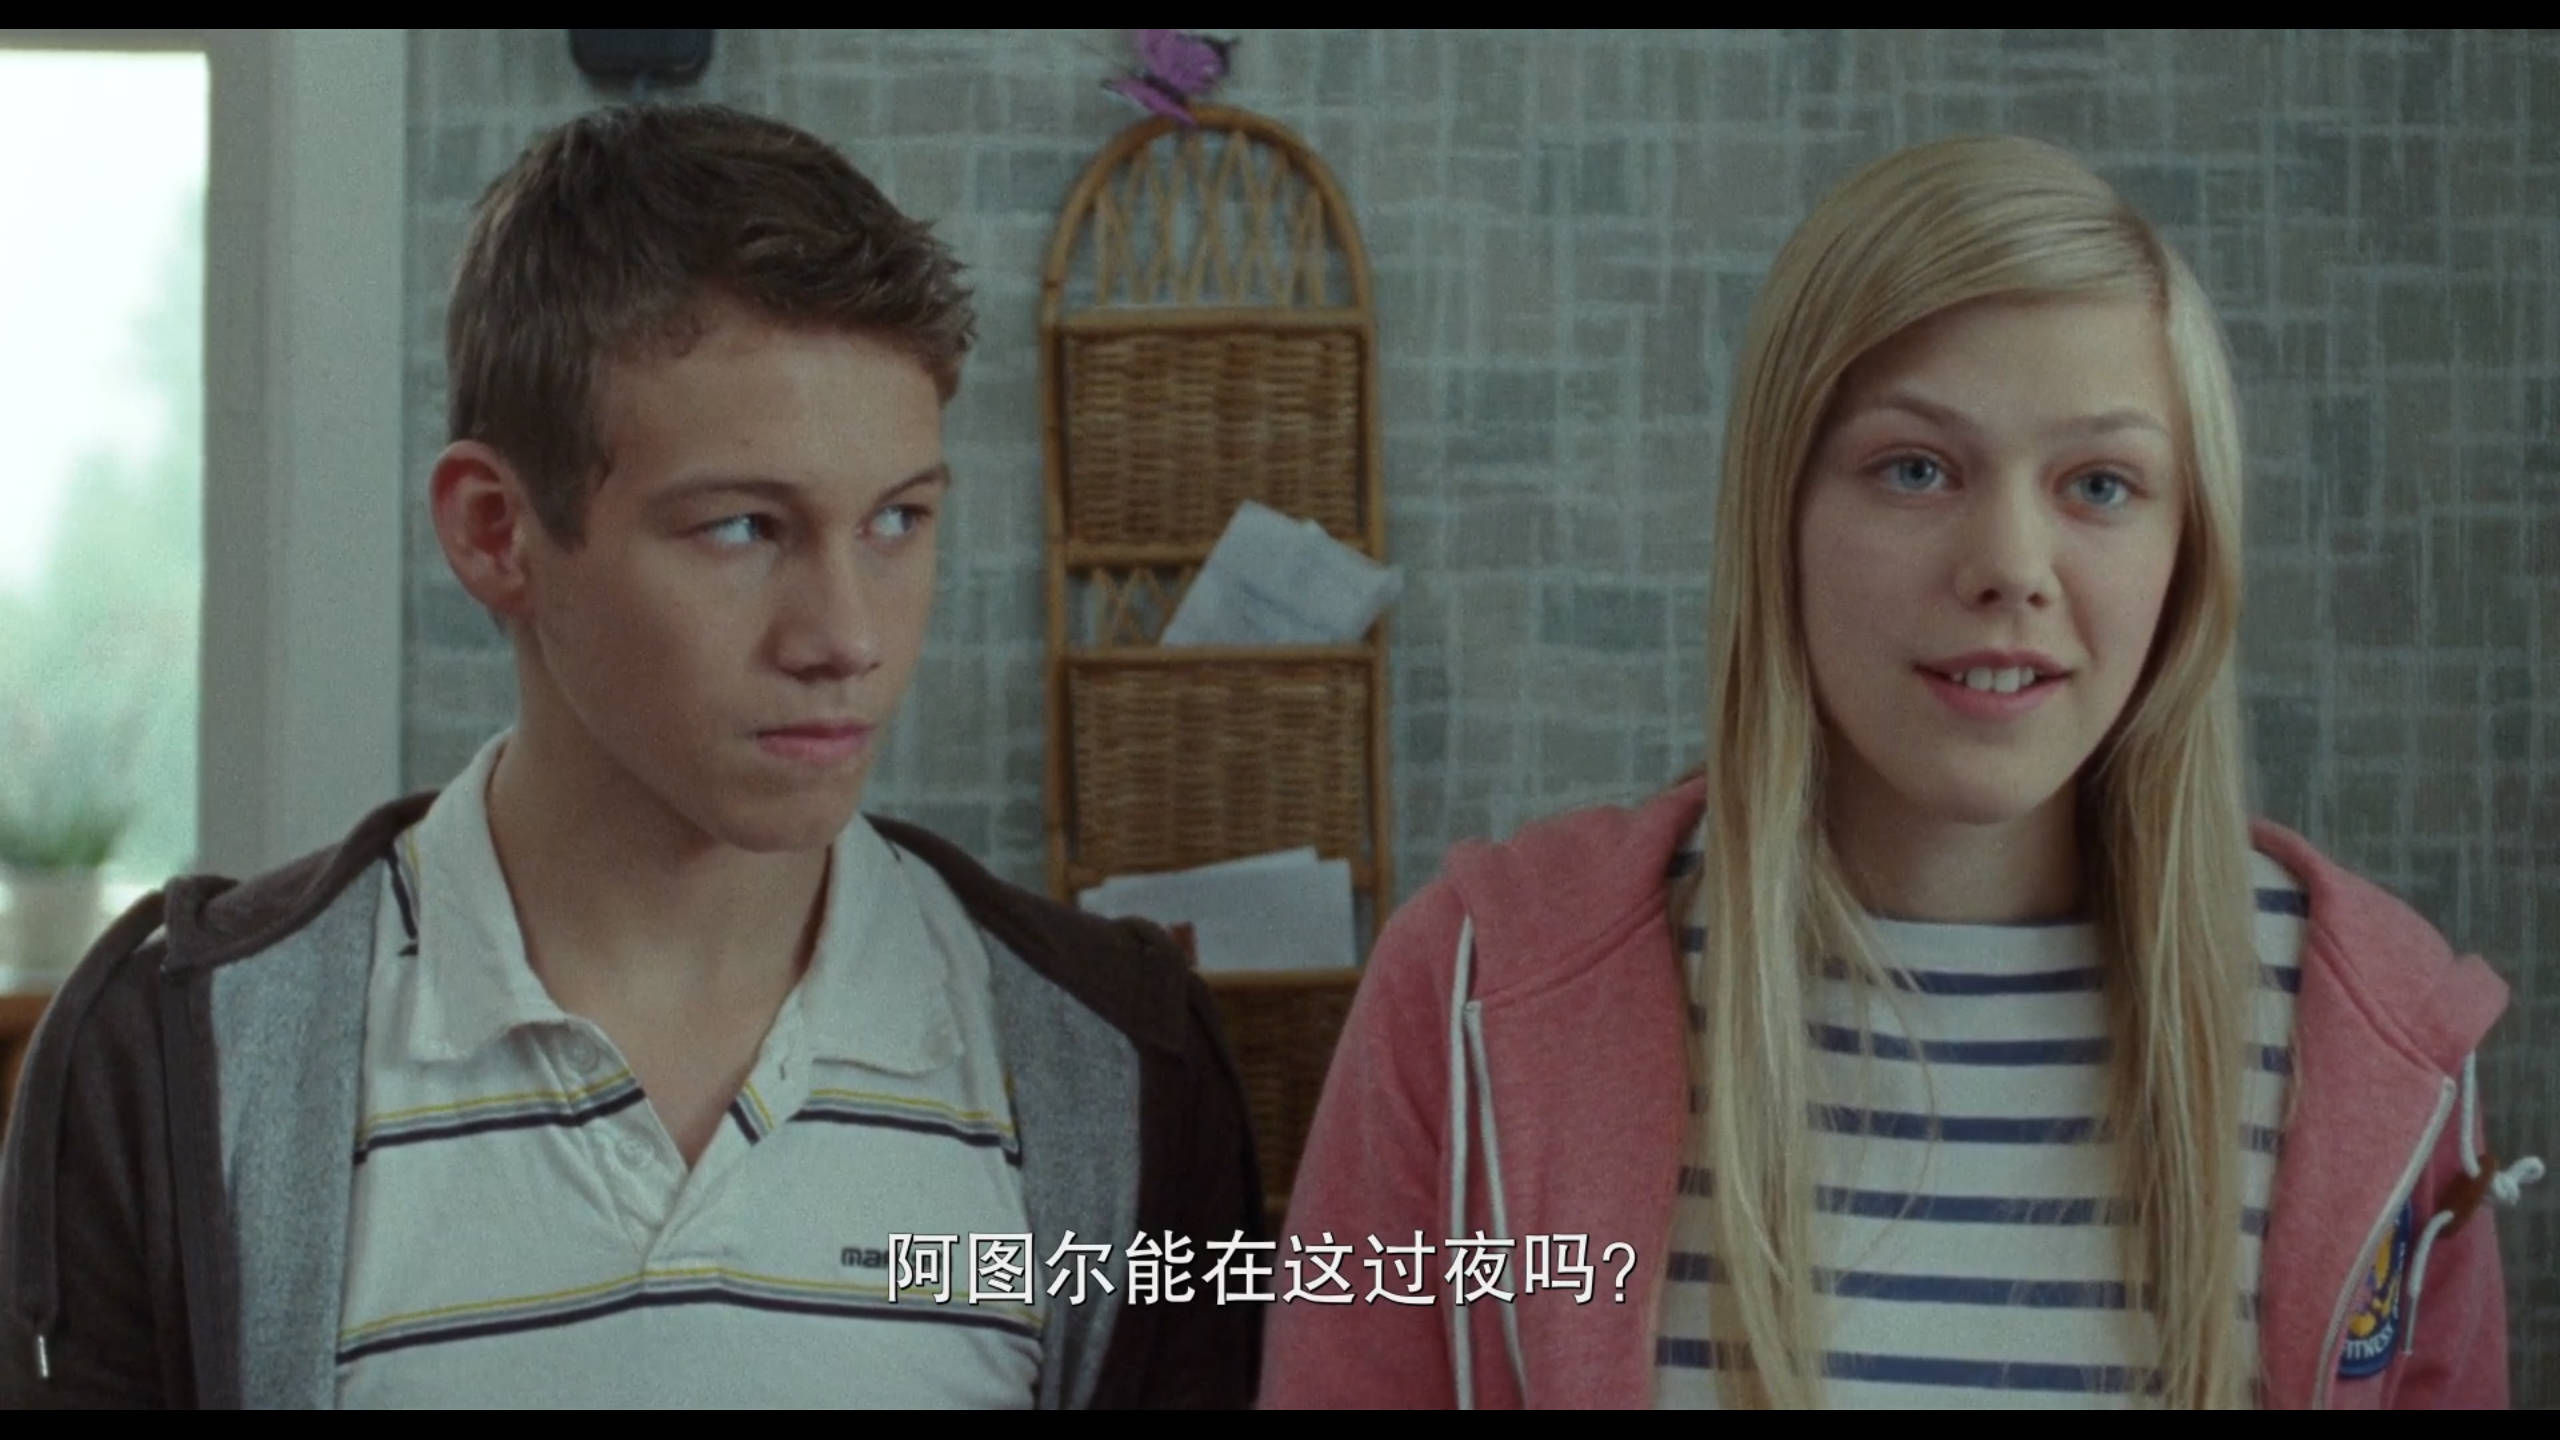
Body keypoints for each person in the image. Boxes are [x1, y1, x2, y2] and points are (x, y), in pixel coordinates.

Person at [0, 102, 1263, 1409]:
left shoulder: (1117, 1067)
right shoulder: (177, 1065)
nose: (848, 637)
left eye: (897, 520)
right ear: (496, 533)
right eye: (742, 528)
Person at [1261, 134, 2542, 1410]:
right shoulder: (1475, 990)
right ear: (1780, 516)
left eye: (2100, 484)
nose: (2010, 566)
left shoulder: (2377, 1042)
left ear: (2187, 551)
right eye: (1915, 469)